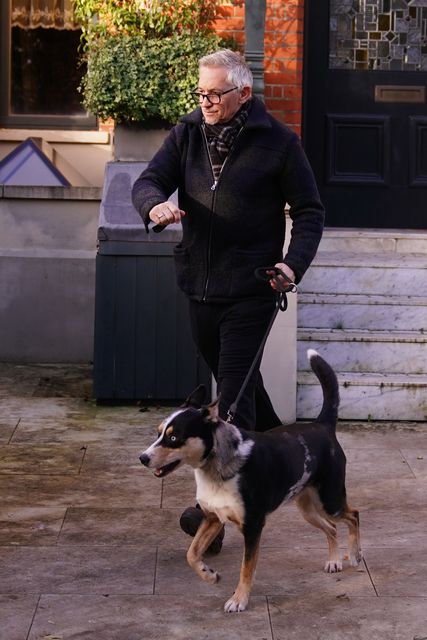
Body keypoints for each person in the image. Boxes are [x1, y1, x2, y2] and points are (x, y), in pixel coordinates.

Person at [132, 49, 325, 552]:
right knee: (246, 392)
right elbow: (148, 180)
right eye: (200, 92)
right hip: (198, 284)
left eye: (215, 93)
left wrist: (291, 265)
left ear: (243, 93)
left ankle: (209, 518)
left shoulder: (279, 143)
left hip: (253, 290)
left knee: (232, 401)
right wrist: (155, 205)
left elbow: (309, 211)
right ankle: (291, 458)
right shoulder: (187, 132)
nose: (206, 102)